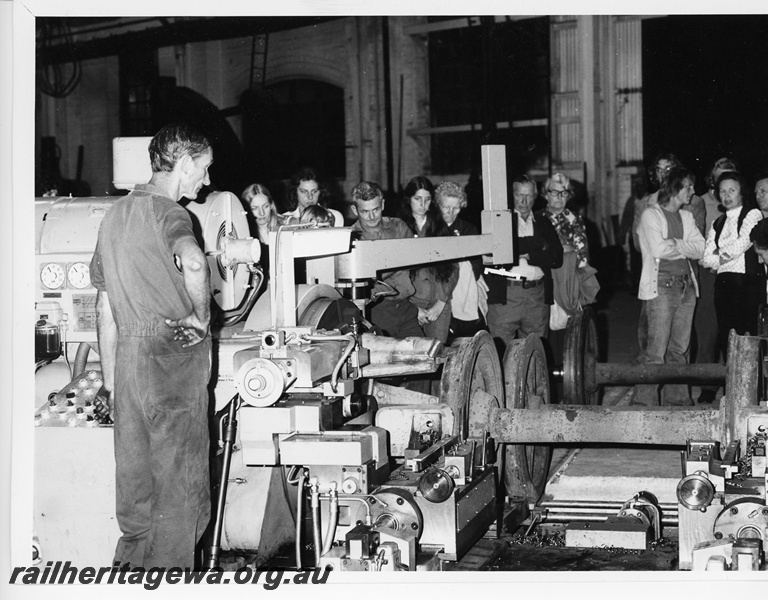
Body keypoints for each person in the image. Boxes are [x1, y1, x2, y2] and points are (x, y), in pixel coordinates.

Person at [89, 123, 213, 569]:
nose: (207, 180)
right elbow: (195, 262)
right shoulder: (172, 214)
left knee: (137, 506)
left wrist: (109, 381)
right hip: (170, 365)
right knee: (178, 502)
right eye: (203, 169)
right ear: (182, 165)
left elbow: (103, 306)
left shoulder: (114, 216)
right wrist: (201, 317)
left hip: (126, 369)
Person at [631, 167, 705, 407]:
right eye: (688, 187)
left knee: (679, 350)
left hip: (687, 288)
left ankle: (678, 400)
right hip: (661, 287)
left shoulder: (687, 216)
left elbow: (701, 248)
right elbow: (658, 250)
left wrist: (674, 243)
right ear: (674, 188)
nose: (692, 192)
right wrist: (684, 246)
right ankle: (644, 403)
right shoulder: (651, 215)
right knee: (656, 351)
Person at [485, 175, 563, 354]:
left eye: (528, 195)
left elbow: (556, 257)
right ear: (511, 195)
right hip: (507, 296)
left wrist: (525, 253)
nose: (524, 200)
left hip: (537, 297)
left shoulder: (543, 223)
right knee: (501, 353)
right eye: (519, 195)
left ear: (535, 197)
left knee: (535, 354)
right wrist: (538, 244)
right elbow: (499, 252)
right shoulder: (500, 221)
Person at [701, 171, 765, 360]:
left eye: (732, 190)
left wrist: (718, 256)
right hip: (723, 285)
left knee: (749, 337)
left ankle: (751, 388)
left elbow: (741, 245)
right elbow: (706, 259)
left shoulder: (753, 214)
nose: (727, 196)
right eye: (722, 191)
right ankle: (730, 386)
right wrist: (721, 256)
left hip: (747, 284)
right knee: (726, 337)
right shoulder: (716, 223)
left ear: (741, 192)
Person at [349, 181, 422, 340]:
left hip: (405, 307)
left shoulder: (398, 226)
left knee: (424, 354)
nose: (371, 216)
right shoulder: (351, 238)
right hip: (376, 313)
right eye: (365, 211)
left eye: (375, 209)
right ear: (355, 210)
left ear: (382, 204)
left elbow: (416, 258)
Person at [692, 158, 736, 404]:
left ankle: (734, 383)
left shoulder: (742, 203)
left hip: (734, 272)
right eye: (720, 176)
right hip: (708, 273)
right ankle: (707, 384)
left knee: (733, 329)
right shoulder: (700, 202)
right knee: (707, 331)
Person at [399, 177, 457, 345]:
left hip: (439, 301)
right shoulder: (398, 227)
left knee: (437, 353)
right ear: (408, 199)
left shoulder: (440, 227)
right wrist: (412, 308)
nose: (423, 204)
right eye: (417, 199)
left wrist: (442, 301)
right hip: (411, 303)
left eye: (427, 199)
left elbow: (453, 267)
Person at [435, 181, 488, 341]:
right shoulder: (432, 228)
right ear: (438, 204)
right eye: (446, 207)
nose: (451, 212)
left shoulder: (469, 229)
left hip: (463, 293)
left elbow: (476, 266)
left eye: (456, 208)